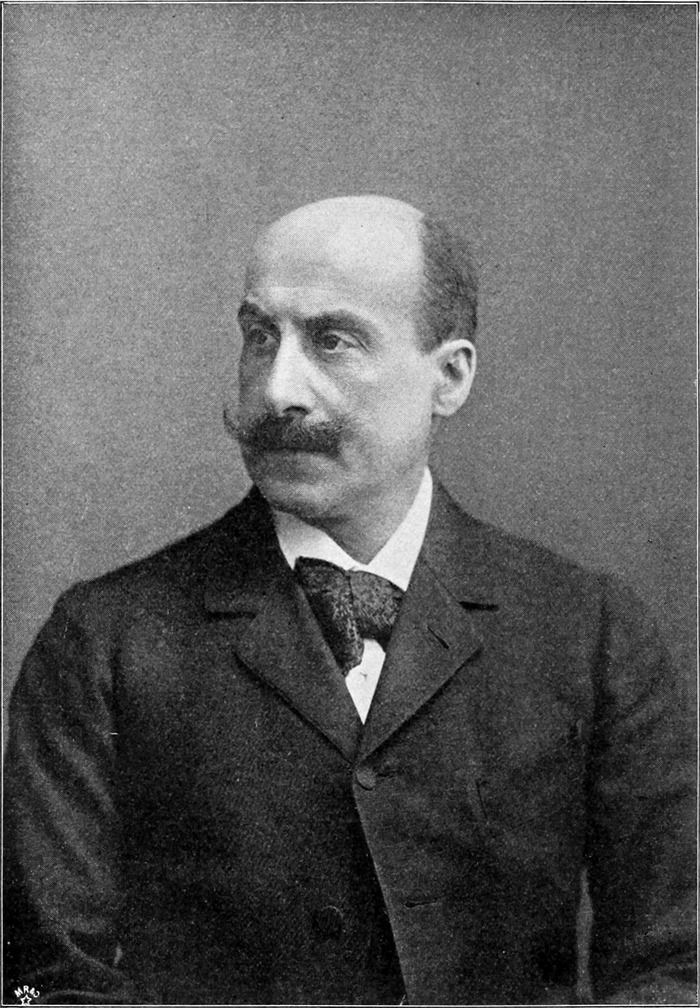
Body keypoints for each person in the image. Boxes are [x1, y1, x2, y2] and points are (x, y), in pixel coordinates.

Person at [4, 195, 694, 1006]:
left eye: (332, 340)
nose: (277, 390)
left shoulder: (590, 633)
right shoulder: (104, 640)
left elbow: (677, 969)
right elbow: (47, 983)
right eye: (260, 336)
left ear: (450, 376)